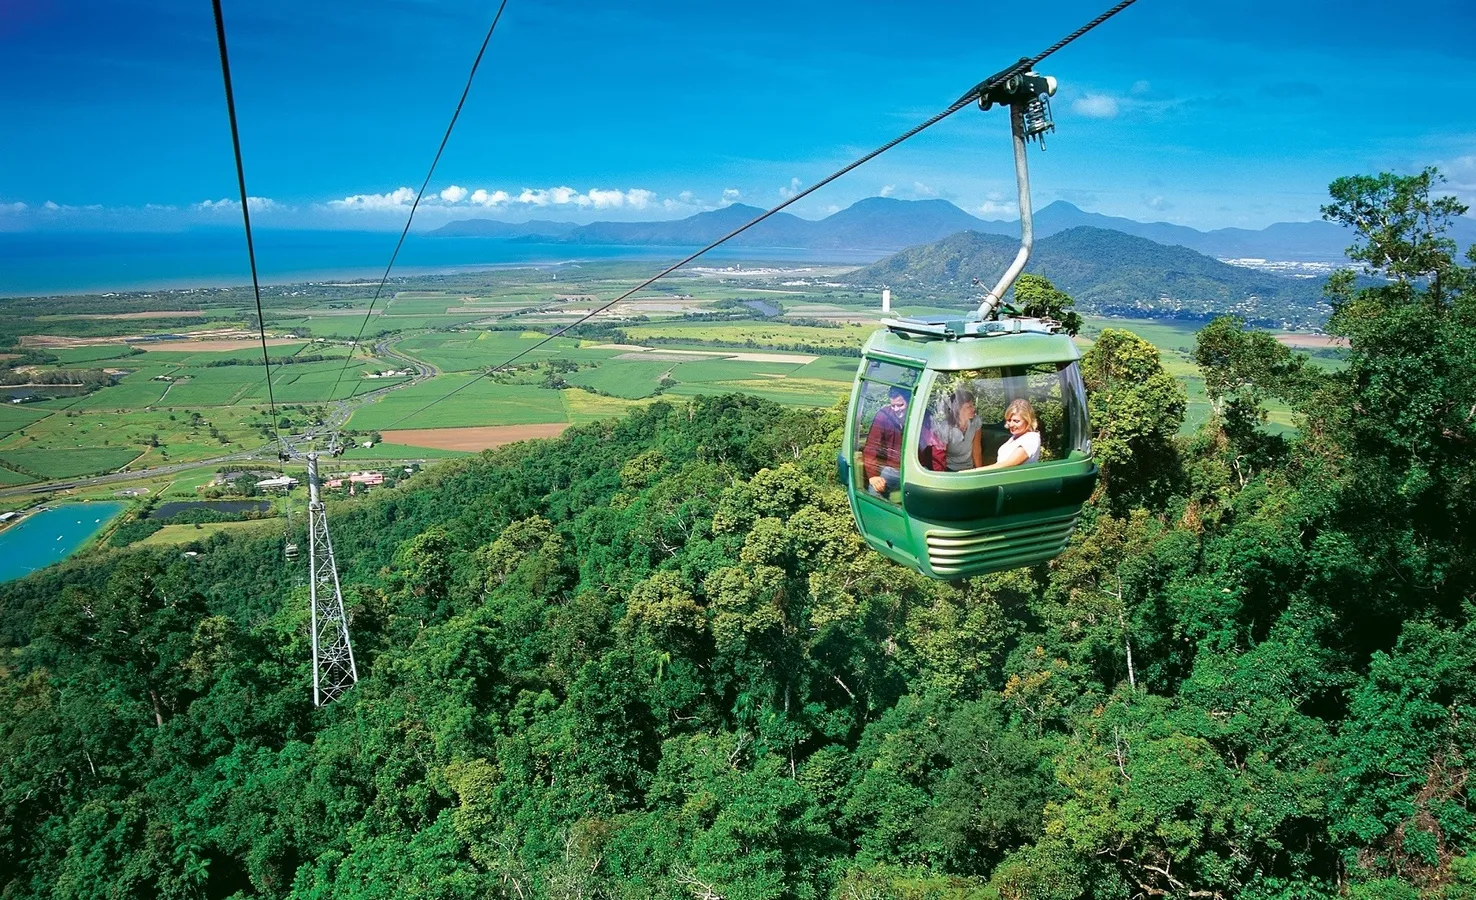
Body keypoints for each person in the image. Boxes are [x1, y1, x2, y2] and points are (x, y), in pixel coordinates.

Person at [862, 385, 908, 495]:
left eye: (900, 405)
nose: (896, 409)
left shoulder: (921, 416)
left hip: (916, 469)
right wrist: (873, 476)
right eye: (893, 406)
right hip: (892, 470)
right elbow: (871, 447)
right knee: (874, 490)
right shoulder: (883, 416)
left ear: (909, 401)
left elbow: (934, 447)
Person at [932, 385, 984, 471]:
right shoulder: (945, 428)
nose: (973, 409)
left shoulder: (976, 421)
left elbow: (976, 449)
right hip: (950, 469)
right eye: (969, 406)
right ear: (958, 409)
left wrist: (980, 472)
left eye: (973, 405)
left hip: (969, 468)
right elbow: (939, 457)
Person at [982, 398, 1041, 470]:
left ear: (1027, 421)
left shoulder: (1031, 439)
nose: (1011, 424)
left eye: (1016, 421)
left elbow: (1007, 464)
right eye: (1009, 420)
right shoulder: (1015, 437)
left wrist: (973, 472)